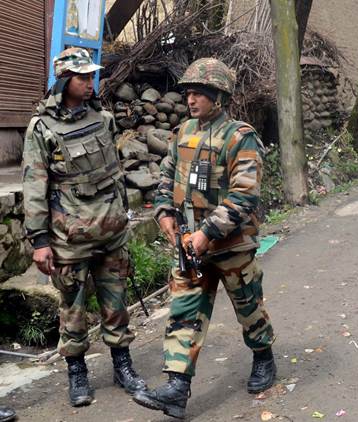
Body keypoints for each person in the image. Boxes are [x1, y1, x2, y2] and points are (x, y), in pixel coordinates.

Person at [134, 58, 273, 419]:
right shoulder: (182, 133)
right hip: (188, 243)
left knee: (249, 307)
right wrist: (164, 213)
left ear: (218, 96)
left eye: (198, 93)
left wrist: (207, 233)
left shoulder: (240, 137)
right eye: (188, 93)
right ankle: (177, 390)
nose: (190, 100)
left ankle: (263, 357)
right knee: (183, 313)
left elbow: (245, 196)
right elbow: (166, 176)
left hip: (231, 245)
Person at [22, 47, 146, 406]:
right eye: (82, 77)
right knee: (73, 309)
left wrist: (124, 217)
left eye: (91, 76)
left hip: (111, 231)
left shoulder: (103, 118)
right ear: (64, 81)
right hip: (70, 237)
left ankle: (123, 365)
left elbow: (115, 174)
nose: (90, 83)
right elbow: (34, 188)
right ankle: (77, 373)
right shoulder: (41, 128)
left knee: (116, 303)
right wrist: (40, 241)